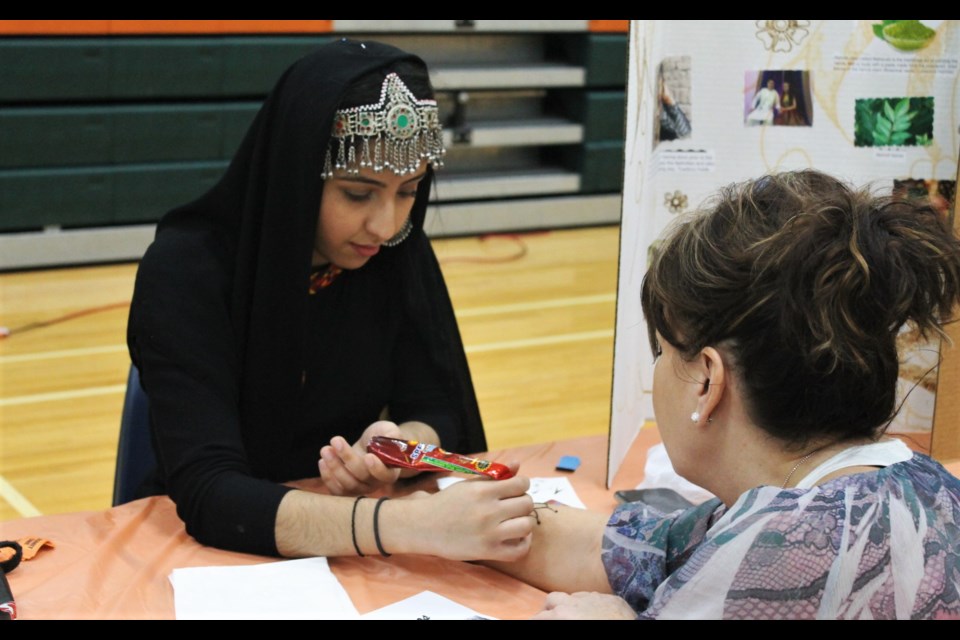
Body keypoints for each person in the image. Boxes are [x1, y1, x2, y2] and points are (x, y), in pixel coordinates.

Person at [127, 39, 534, 560]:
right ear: (296, 175)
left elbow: (440, 407)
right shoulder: (186, 270)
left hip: (346, 538)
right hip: (212, 557)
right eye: (358, 193)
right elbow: (211, 493)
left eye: (408, 191)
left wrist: (398, 445)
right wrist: (403, 524)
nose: (386, 225)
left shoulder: (395, 252)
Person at [489, 170, 960, 619]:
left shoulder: (780, 547)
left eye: (663, 350)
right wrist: (435, 522)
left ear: (708, 382)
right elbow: (647, 549)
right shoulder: (923, 489)